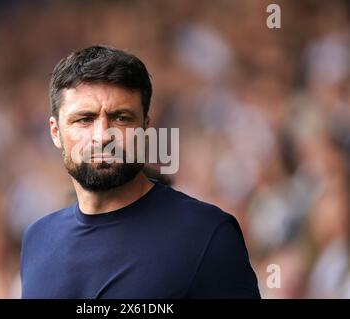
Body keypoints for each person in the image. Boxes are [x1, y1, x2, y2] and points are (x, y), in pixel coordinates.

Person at [20, 45, 260, 298]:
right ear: (55, 132)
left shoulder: (206, 234)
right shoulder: (37, 239)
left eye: (121, 118)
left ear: (146, 127)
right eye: (84, 119)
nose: (103, 136)